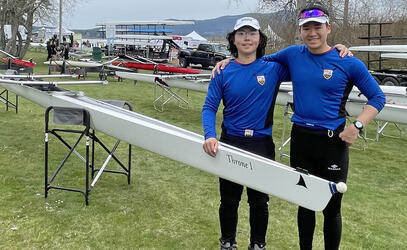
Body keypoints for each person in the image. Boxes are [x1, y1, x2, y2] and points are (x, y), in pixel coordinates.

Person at [213, 2, 386, 250]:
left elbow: (377, 97)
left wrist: (356, 125)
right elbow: (254, 61)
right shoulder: (292, 55)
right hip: (302, 139)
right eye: (306, 28)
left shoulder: (348, 61)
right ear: (300, 31)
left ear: (328, 27)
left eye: (317, 27)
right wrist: (227, 62)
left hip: (332, 143)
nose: (312, 33)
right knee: (304, 202)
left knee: (331, 206)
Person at [202, 17, 289, 250]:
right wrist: (209, 135)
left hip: (261, 144)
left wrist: (337, 49)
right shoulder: (223, 71)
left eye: (252, 33)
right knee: (229, 200)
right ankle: (227, 243)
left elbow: (307, 58)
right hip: (231, 142)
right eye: (241, 34)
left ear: (260, 38)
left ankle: (258, 245)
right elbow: (210, 107)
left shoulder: (274, 68)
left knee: (259, 201)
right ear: (234, 39)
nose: (247, 38)